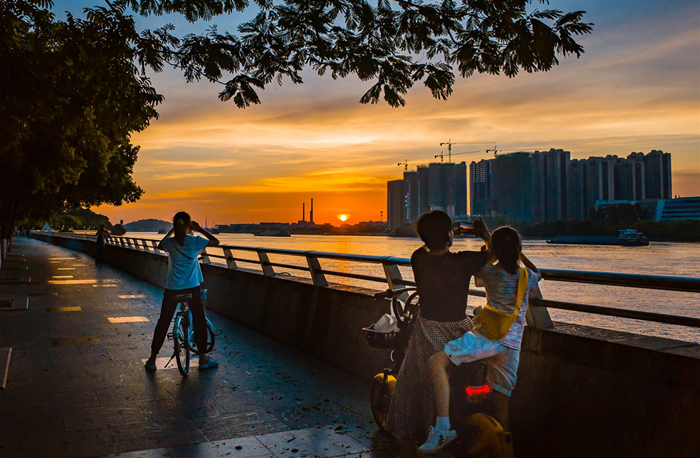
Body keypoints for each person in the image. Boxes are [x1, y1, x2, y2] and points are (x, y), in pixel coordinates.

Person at [418, 226, 543, 456]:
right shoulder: (527, 277)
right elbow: (540, 274)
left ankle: (443, 427)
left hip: (486, 339)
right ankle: (505, 451)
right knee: (501, 401)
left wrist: (486, 239)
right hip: (512, 346)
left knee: (436, 362)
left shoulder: (489, 272)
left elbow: (480, 262)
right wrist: (518, 254)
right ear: (519, 249)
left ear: (495, 249)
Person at [386, 211, 491, 458]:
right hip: (460, 329)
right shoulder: (464, 261)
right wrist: (483, 233)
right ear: (448, 235)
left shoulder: (418, 258)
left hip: (428, 331)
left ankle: (415, 437)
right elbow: (494, 253)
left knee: (409, 386)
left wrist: (446, 230)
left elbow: (428, 245)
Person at [145, 212, 220, 371]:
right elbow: (216, 241)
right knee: (199, 320)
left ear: (175, 225)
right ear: (189, 225)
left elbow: (160, 245)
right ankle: (202, 358)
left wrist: (173, 230)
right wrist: (199, 229)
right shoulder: (195, 241)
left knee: (164, 321)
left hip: (172, 289)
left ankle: (152, 359)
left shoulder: (170, 243)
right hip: (192, 288)